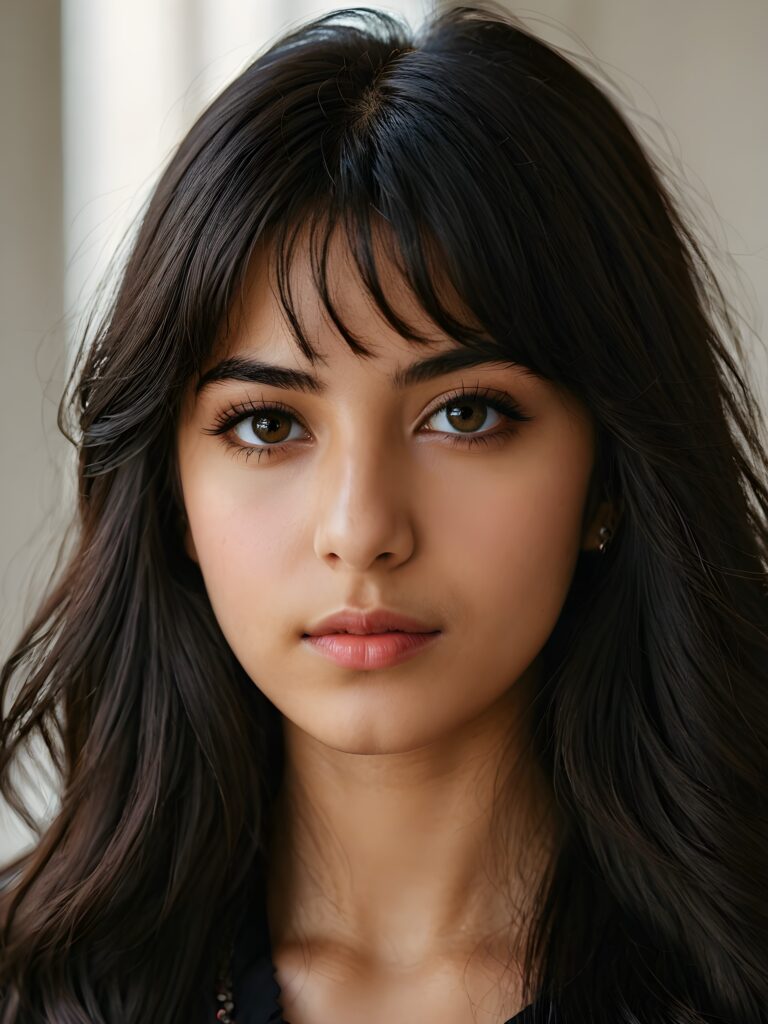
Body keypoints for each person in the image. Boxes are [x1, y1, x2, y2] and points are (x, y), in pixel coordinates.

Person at [1, 4, 766, 1023]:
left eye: (465, 413)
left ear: (612, 476)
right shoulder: (34, 987)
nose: (361, 530)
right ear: (170, 493)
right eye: (269, 424)